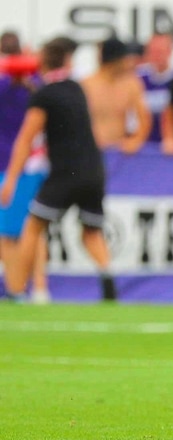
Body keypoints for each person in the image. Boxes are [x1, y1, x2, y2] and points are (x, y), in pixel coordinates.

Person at [0, 36, 117, 302]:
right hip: (94, 169)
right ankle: (108, 277)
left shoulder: (43, 96)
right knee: (91, 230)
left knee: (33, 226)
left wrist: (11, 180)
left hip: (66, 172)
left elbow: (25, 140)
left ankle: (16, 289)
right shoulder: (76, 88)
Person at [0, 32, 50, 302]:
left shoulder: (21, 85)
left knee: (11, 231)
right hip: (29, 164)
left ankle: (17, 287)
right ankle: (36, 287)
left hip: (15, 165)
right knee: (31, 229)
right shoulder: (33, 85)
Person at [81, 37, 151, 154]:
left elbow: (144, 118)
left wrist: (136, 140)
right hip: (92, 151)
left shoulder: (131, 84)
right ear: (115, 61)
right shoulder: (87, 85)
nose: (129, 62)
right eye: (125, 59)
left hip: (119, 152)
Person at [138, 32, 173, 143]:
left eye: (161, 51)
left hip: (172, 146)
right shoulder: (137, 79)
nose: (157, 55)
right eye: (154, 51)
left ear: (170, 51)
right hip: (142, 145)